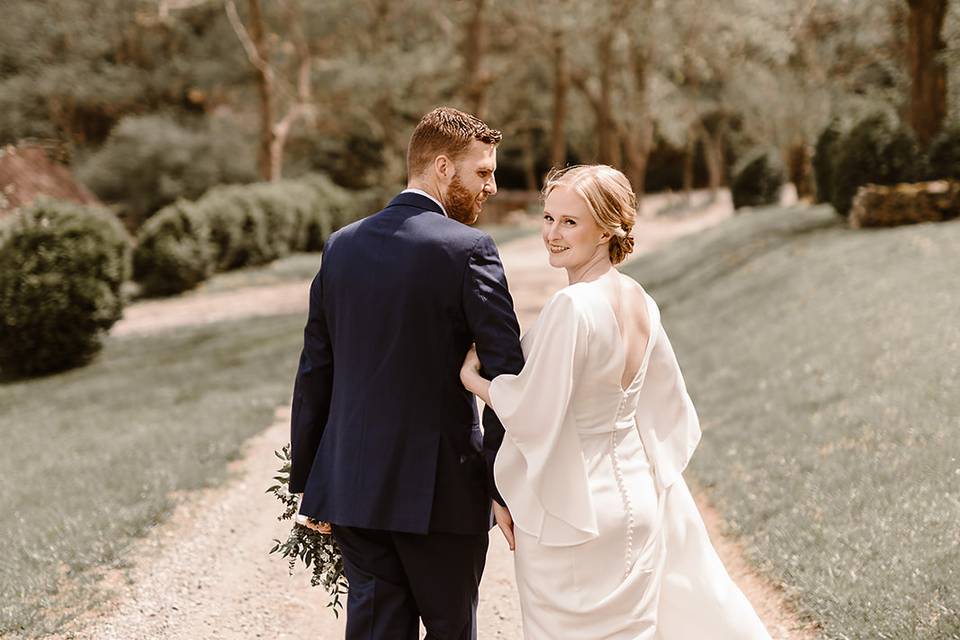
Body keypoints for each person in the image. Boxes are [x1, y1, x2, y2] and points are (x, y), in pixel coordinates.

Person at [460, 164, 771, 639]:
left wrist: (475, 381)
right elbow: (668, 406)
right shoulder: (641, 301)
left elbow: (532, 410)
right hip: (636, 503)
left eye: (569, 222)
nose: (552, 234)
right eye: (548, 218)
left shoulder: (573, 306)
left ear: (606, 229)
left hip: (573, 513)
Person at [289, 106, 524, 640]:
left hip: (355, 491)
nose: (492, 185)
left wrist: (313, 483)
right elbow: (508, 375)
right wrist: (500, 480)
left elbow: (315, 371)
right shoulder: (471, 250)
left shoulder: (341, 246)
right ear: (443, 168)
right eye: (482, 172)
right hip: (441, 495)